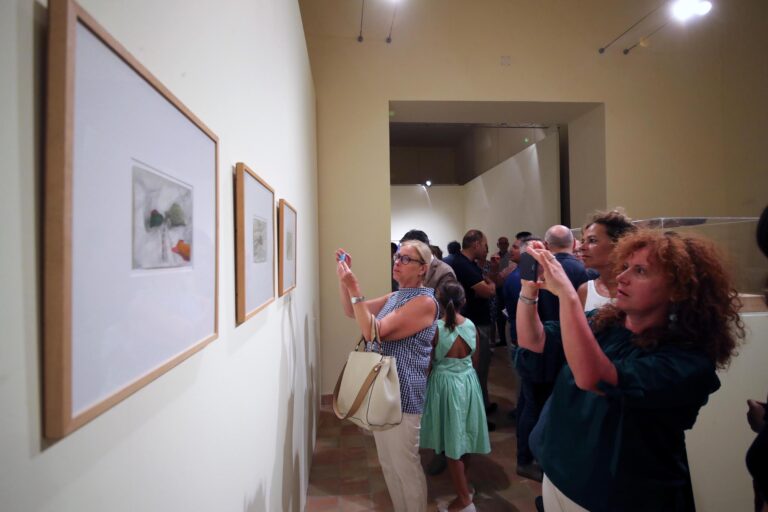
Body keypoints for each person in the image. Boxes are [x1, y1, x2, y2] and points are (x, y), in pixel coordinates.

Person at [515, 230, 744, 511]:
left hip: (617, 495)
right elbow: (535, 341)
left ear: (679, 289)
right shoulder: (604, 323)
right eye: (625, 267)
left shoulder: (686, 361)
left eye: (641, 271)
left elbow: (595, 377)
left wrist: (567, 296)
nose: (622, 277)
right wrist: (529, 289)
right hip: (560, 476)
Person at [335, 240, 438, 512]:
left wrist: (355, 288)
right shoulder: (395, 298)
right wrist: (344, 282)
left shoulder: (425, 302)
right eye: (397, 257)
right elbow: (352, 311)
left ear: (422, 269)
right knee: (389, 465)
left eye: (406, 259)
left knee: (406, 465)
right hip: (383, 391)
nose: (397, 262)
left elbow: (373, 331)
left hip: (403, 394)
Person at [421, 281, 490, 512]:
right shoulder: (471, 325)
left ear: (438, 303)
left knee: (452, 445)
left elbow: (429, 364)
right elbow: (476, 360)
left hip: (445, 387)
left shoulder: (436, 329)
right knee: (465, 438)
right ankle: (463, 487)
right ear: (464, 301)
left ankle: (464, 501)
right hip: (468, 383)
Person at [448, 230, 498, 427]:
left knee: (479, 371)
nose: (486, 249)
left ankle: (482, 406)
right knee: (477, 371)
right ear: (476, 244)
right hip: (475, 323)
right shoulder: (463, 264)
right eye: (485, 245)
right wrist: (491, 285)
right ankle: (477, 418)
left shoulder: (464, 263)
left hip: (470, 322)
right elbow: (487, 291)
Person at [578, 209, 636, 312]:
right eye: (583, 241)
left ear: (619, 244)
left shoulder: (637, 288)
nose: (582, 247)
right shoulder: (585, 291)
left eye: (592, 241)